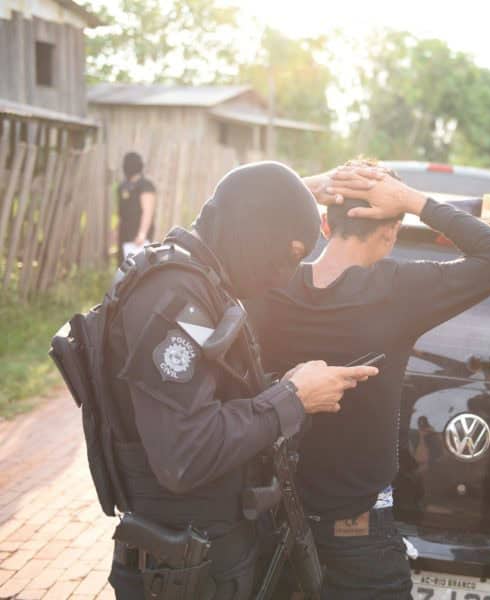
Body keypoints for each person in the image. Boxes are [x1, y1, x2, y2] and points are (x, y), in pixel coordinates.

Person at [248, 162, 490, 599]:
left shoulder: (269, 284)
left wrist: (303, 188)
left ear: (324, 223)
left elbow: (217, 232)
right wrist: (414, 201)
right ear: (392, 231)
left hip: (269, 532)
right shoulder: (397, 290)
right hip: (357, 542)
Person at [100, 161, 381, 599]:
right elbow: (184, 454)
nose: (285, 274)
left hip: (208, 556)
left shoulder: (200, 279)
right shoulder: (173, 292)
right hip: (186, 569)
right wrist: (292, 399)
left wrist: (283, 386)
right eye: (289, 254)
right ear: (256, 231)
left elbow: (213, 397)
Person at [117, 152, 156, 263]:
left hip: (140, 236)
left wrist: (142, 233)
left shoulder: (146, 185)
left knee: (140, 266)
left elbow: (148, 211)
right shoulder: (122, 186)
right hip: (124, 234)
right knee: (123, 265)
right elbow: (121, 213)